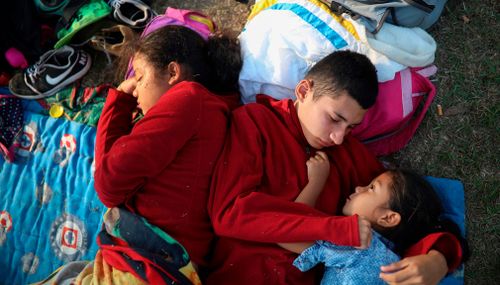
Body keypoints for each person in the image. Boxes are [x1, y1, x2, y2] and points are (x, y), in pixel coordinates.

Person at [207, 50, 463, 285]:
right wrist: (336, 229)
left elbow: (400, 212)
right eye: (334, 119)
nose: (339, 137)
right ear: (304, 91)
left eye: (351, 127)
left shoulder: (346, 152)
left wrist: (438, 259)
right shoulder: (256, 123)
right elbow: (230, 212)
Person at [94, 24, 242, 276]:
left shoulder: (190, 99)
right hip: (165, 267)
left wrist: (119, 100)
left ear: (172, 72)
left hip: (146, 267)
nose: (135, 89)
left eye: (139, 77)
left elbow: (107, 183)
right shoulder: (218, 111)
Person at [279, 154, 469, 284]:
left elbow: (286, 232)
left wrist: (316, 181)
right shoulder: (394, 262)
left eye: (371, 188)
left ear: (388, 218)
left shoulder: (357, 241)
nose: (358, 188)